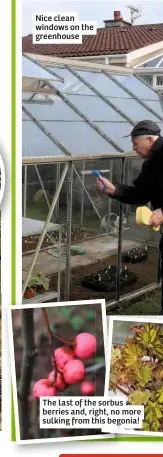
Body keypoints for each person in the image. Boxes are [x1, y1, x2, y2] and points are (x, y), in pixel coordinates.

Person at [95, 120, 163, 314]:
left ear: (149, 140)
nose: (133, 149)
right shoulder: (150, 165)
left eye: (135, 144)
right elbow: (140, 194)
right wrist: (114, 190)